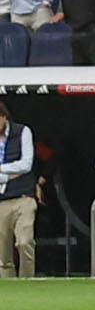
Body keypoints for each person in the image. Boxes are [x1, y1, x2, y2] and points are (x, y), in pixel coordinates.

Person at [0, 100, 33, 278]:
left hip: (23, 198)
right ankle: (9, 290)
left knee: (24, 242)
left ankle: (28, 281)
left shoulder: (22, 131)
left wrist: (1, 168)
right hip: (1, 200)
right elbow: (19, 167)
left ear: (4, 117)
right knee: (3, 255)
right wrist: (9, 174)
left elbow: (26, 164)